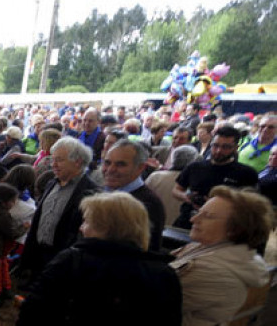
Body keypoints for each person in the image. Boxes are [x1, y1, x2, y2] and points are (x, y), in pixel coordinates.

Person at [17, 192, 182, 326]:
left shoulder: (71, 261)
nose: (81, 228)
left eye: (87, 222)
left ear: (106, 227)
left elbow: (33, 313)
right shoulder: (164, 274)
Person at [170, 186, 274, 325]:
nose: (193, 219)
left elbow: (147, 303)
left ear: (235, 229)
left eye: (207, 216)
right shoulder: (203, 247)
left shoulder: (213, 272)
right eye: (198, 212)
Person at [20, 137, 99, 285]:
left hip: (63, 260)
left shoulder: (91, 192)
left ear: (78, 162)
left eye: (59, 160)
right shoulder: (51, 183)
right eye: (53, 159)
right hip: (40, 255)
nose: (53, 164)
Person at [172, 126, 259, 229]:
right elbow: (176, 190)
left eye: (225, 147)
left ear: (236, 148)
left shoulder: (246, 173)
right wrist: (187, 197)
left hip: (223, 227)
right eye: (215, 145)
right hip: (188, 221)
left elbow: (251, 205)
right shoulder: (195, 167)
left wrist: (219, 204)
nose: (218, 151)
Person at [101, 140, 166, 251]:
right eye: (107, 163)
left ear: (140, 168)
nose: (110, 169)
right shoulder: (101, 192)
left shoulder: (147, 204)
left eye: (120, 164)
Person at [145, 145, 199, 226]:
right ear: (193, 161)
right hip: (178, 230)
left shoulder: (155, 176)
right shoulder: (194, 182)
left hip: (152, 225)